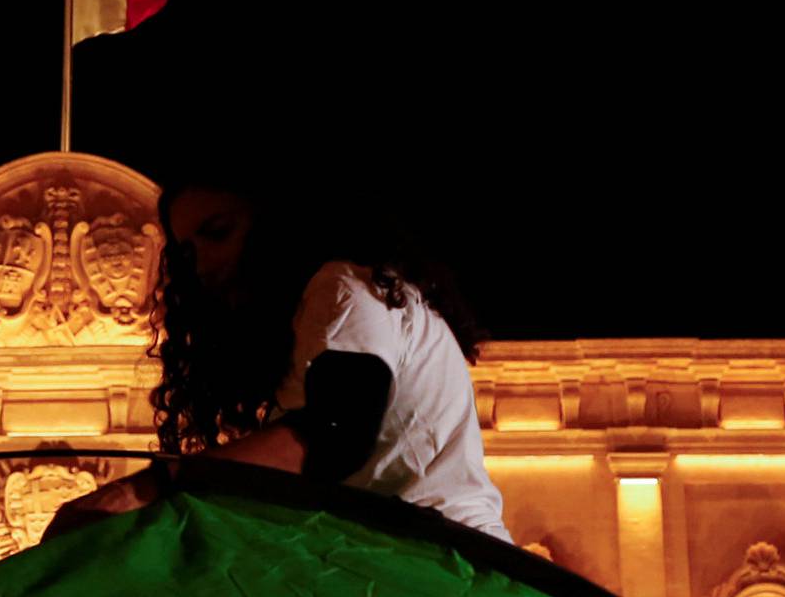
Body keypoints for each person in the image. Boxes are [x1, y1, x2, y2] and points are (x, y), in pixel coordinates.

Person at [46, 163, 511, 541]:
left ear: (279, 217)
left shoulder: (343, 290)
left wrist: (150, 487)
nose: (203, 264)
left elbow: (335, 434)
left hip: (442, 560)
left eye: (219, 232)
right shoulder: (316, 317)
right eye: (188, 252)